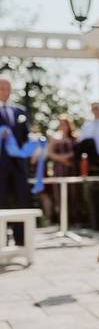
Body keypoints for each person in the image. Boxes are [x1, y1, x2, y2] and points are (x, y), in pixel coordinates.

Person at [0, 76, 31, 245]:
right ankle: (1, 239)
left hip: (18, 166)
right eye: (2, 88)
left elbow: (26, 137)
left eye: (8, 88)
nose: (5, 92)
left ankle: (21, 239)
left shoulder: (20, 111)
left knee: (21, 201)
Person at [77, 102, 99, 230]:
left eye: (97, 108)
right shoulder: (87, 126)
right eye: (93, 109)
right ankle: (94, 222)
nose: (95, 111)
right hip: (91, 163)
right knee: (91, 192)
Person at [43, 115, 79, 224]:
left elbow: (78, 151)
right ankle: (62, 221)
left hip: (72, 169)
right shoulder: (55, 138)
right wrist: (63, 159)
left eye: (65, 124)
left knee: (73, 193)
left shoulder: (75, 137)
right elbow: (49, 153)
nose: (63, 126)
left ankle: (74, 219)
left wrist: (70, 157)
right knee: (59, 194)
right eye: (61, 124)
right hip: (59, 169)